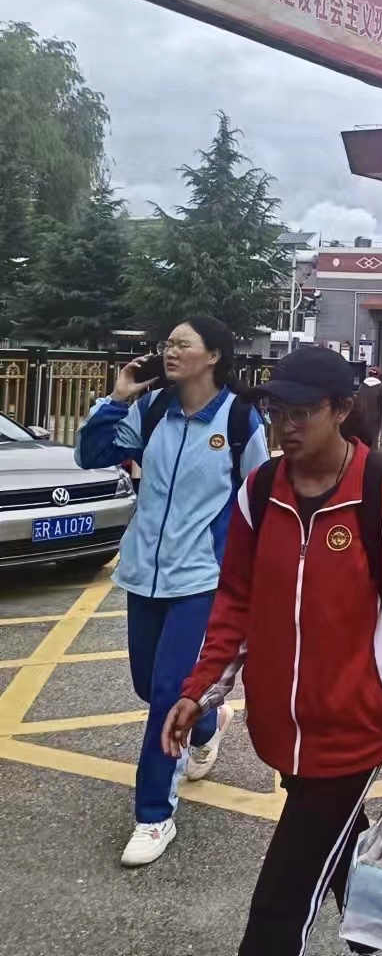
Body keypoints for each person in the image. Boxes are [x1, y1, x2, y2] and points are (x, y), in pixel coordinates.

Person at [162, 345, 382, 955]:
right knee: (337, 847)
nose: (284, 427)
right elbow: (235, 601)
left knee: (280, 904)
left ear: (340, 410)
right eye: (276, 412)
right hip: (281, 728)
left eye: (300, 413)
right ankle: (380, 940)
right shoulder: (260, 491)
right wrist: (199, 691)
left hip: (352, 730)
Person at [74, 316, 270, 867]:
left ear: (214, 355)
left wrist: (248, 577)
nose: (171, 351)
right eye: (169, 344)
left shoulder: (238, 420)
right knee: (148, 684)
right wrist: (116, 400)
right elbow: (91, 454)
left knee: (166, 693)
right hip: (143, 572)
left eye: (183, 344)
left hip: (201, 579)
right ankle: (208, 720)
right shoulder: (152, 409)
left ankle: (154, 814)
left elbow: (259, 500)